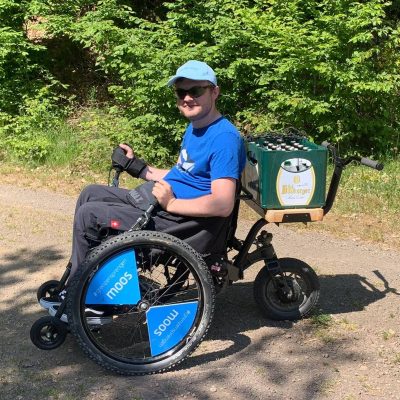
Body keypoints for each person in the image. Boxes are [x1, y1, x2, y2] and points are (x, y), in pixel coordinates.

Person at [40, 60, 246, 314]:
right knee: (90, 193)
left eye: (196, 91)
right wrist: (137, 167)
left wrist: (173, 203)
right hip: (162, 205)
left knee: (89, 215)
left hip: (180, 221)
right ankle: (85, 279)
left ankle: (82, 297)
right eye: (181, 92)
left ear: (214, 92)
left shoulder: (224, 138)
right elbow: (183, 174)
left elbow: (223, 204)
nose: (187, 98)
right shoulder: (196, 127)